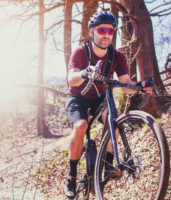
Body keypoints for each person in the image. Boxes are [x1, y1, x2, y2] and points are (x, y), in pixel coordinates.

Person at [64, 11, 153, 199]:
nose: (106, 34)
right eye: (102, 30)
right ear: (92, 31)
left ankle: (108, 165)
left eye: (111, 31)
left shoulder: (117, 56)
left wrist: (140, 87)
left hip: (100, 99)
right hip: (77, 98)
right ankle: (71, 175)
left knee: (113, 120)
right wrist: (84, 73)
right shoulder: (82, 51)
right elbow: (71, 79)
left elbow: (125, 83)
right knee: (81, 126)